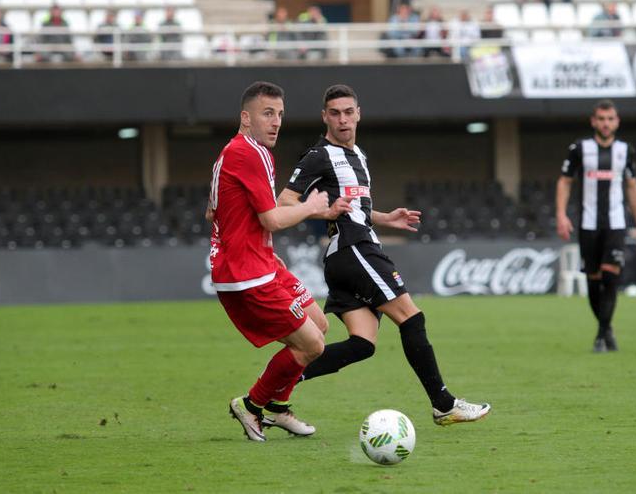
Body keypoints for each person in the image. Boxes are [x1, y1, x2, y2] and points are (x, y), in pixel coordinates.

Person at [277, 84, 491, 426]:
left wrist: (386, 217)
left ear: (358, 113)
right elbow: (285, 201)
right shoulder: (320, 155)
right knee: (411, 317)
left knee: (362, 344)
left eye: (348, 112)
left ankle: (271, 389)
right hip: (354, 248)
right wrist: (322, 212)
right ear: (325, 117)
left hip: (350, 251)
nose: (343, 119)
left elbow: (357, 207)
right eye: (335, 113)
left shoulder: (358, 156)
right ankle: (443, 403)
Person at [209, 81, 352, 441]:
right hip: (247, 273)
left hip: (262, 262)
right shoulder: (248, 153)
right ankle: (251, 405)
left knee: (319, 325)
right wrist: (310, 207)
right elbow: (271, 219)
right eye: (267, 113)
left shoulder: (241, 151)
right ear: (246, 117)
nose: (276, 122)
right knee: (311, 346)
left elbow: (211, 210)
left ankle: (277, 408)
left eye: (280, 115)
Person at [555, 99, 636, 352]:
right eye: (601, 119)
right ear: (593, 121)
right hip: (588, 225)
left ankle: (600, 336)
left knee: (610, 277)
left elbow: (632, 187)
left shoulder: (625, 150)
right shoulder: (579, 148)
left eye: (610, 119)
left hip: (616, 224)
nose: (606, 124)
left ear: (617, 121)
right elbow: (564, 182)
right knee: (594, 281)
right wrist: (561, 214)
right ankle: (607, 329)